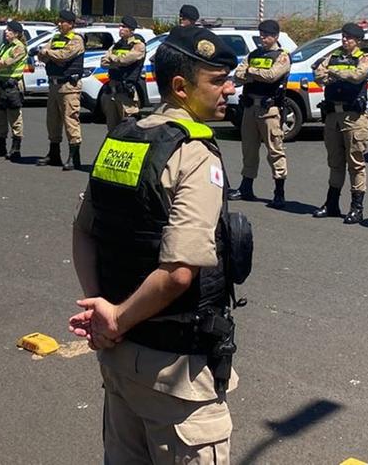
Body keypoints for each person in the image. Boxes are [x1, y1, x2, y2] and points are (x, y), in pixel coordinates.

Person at [69, 25, 249, 465]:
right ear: (181, 87)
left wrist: (104, 313)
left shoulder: (123, 138)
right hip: (175, 374)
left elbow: (83, 232)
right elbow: (179, 272)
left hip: (120, 359)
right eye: (217, 79)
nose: (229, 88)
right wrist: (113, 319)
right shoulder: (194, 154)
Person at [313, 22, 368, 222]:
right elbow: (318, 75)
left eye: (349, 37)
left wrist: (334, 73)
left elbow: (357, 76)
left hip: (353, 117)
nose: (345, 40)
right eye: (344, 36)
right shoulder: (334, 55)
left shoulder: (364, 57)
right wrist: (333, 75)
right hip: (333, 115)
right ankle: (331, 203)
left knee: (355, 163)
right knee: (335, 161)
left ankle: (357, 207)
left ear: (358, 40)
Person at [229, 20, 289, 209]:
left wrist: (251, 71)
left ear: (276, 36)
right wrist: (253, 72)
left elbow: (272, 75)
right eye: (261, 34)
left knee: (275, 151)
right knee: (249, 149)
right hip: (249, 107)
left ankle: (279, 192)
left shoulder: (282, 56)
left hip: (268, 110)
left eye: (267, 35)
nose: (263, 38)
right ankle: (246, 187)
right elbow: (237, 76)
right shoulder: (254, 54)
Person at [38, 10, 86, 170]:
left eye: (62, 21)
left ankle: (74, 157)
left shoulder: (76, 40)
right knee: (52, 121)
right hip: (54, 85)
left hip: (69, 87)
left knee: (70, 120)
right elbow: (41, 55)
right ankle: (54, 153)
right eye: (58, 21)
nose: (59, 24)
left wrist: (49, 54)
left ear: (71, 24)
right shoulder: (56, 38)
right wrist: (49, 55)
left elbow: (64, 56)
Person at [0, 20, 28, 161]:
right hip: (1, 84)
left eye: (9, 30)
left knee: (15, 117)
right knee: (0, 116)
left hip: (13, 86)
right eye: (6, 30)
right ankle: (0, 144)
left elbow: (5, 62)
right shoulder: (5, 46)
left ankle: (16, 147)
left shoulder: (19, 47)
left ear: (16, 34)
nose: (6, 32)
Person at [100, 15, 148, 130]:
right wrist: (117, 61)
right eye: (120, 26)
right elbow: (103, 63)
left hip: (126, 93)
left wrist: (114, 60)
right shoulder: (116, 45)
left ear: (131, 30)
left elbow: (126, 60)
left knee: (128, 129)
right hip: (112, 92)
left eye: (124, 26)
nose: (120, 28)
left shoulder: (138, 45)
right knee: (112, 129)